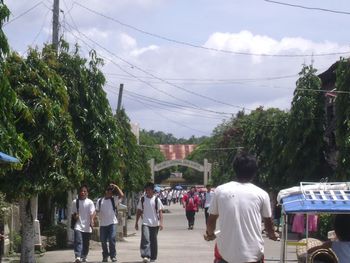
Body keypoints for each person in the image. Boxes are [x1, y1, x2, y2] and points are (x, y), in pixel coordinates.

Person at [204, 152, 278, 263]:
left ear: (235, 169)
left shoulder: (220, 190)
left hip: (225, 255)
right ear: (254, 172)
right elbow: (268, 223)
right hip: (254, 255)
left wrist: (210, 234)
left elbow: (211, 220)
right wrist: (272, 235)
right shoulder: (262, 194)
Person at [135, 182, 164, 263]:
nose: (147, 191)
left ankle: (153, 257)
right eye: (146, 190)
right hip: (145, 223)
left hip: (155, 223)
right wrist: (136, 222)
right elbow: (139, 211)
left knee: (153, 240)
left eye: (149, 190)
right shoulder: (142, 199)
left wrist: (161, 223)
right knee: (145, 239)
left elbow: (160, 212)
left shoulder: (156, 199)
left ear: (152, 190)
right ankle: (146, 255)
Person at [96, 183, 124, 262]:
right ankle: (105, 255)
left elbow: (122, 195)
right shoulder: (100, 200)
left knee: (112, 239)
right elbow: (97, 210)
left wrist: (116, 186)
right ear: (105, 191)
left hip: (112, 223)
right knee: (103, 241)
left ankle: (113, 256)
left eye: (111, 191)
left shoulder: (114, 199)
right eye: (108, 190)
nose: (109, 192)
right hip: (103, 224)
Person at [71, 185, 96, 263]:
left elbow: (93, 212)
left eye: (84, 191)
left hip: (87, 226)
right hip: (78, 225)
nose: (83, 192)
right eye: (81, 191)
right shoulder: (75, 202)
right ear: (79, 192)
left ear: (87, 193)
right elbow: (73, 213)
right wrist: (75, 216)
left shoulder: (90, 202)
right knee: (78, 241)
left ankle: (84, 256)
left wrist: (91, 220)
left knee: (86, 243)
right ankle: (78, 256)